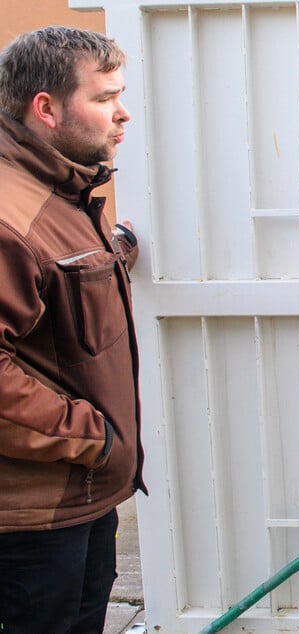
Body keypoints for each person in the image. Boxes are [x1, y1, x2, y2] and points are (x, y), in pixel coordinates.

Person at [0, 26, 145, 633]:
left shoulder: (60, 190)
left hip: (82, 498)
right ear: (47, 108)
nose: (123, 113)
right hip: (34, 522)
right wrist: (95, 439)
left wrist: (117, 253)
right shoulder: (11, 216)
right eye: (105, 97)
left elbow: (56, 281)